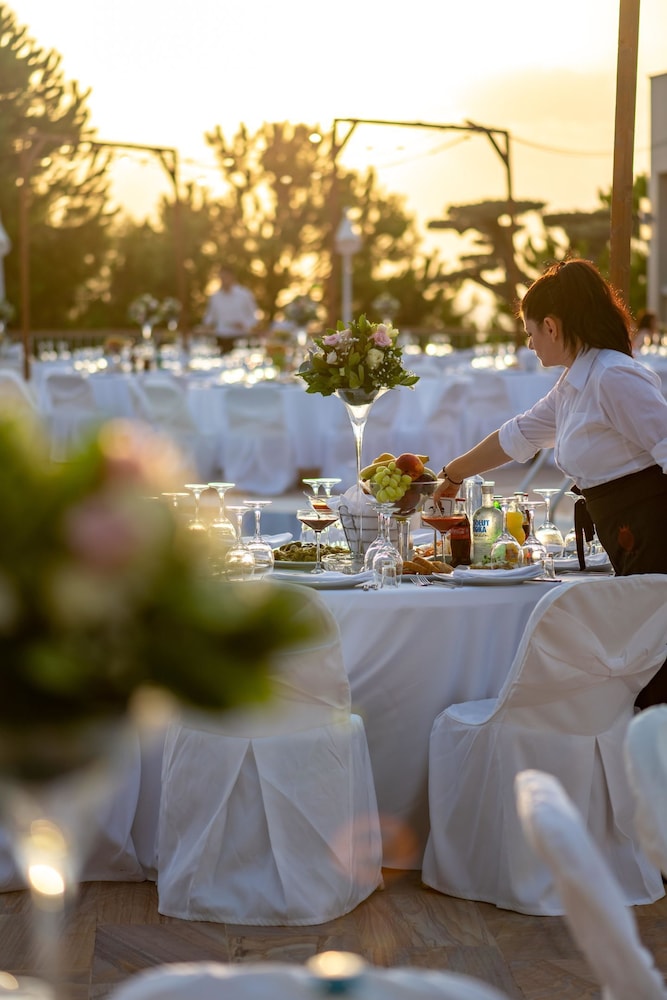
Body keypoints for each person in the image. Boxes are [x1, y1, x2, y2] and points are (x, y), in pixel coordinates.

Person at [433, 257, 667, 707]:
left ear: (552, 327)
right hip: (625, 532)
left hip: (652, 533)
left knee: (652, 664)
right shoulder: (576, 381)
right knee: (644, 664)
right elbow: (519, 434)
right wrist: (452, 474)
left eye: (530, 332)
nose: (530, 343)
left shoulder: (613, 376)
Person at [203, 265, 259, 354]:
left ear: (232, 277)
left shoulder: (245, 295)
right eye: (221, 278)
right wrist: (207, 326)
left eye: (225, 277)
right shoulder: (215, 297)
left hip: (241, 340)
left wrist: (245, 324)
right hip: (220, 340)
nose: (223, 280)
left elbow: (255, 316)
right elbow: (209, 318)